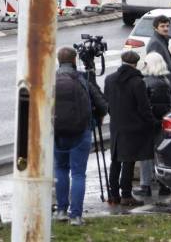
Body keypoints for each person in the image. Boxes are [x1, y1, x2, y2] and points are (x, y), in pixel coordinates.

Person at [53, 47, 109, 226]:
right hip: (80, 132)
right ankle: (75, 216)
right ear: (75, 60)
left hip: (57, 133)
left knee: (61, 169)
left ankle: (61, 210)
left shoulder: (50, 80)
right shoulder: (83, 79)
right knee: (78, 173)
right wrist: (96, 117)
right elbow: (103, 105)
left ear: (58, 61)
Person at [105, 50, 157, 206]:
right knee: (128, 160)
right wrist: (152, 122)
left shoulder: (109, 79)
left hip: (116, 125)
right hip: (133, 126)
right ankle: (126, 194)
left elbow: (107, 102)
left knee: (115, 160)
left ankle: (113, 193)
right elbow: (143, 107)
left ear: (122, 61)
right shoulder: (137, 82)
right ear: (136, 64)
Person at [134, 53, 171, 198]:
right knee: (158, 153)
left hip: (148, 122)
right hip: (161, 121)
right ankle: (162, 183)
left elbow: (143, 105)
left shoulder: (146, 82)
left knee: (145, 154)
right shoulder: (166, 81)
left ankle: (145, 185)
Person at [145, 15, 171, 102]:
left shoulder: (161, 40)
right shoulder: (155, 43)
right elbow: (156, 69)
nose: (166, 28)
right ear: (155, 28)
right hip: (165, 88)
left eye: (167, 26)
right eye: (162, 26)